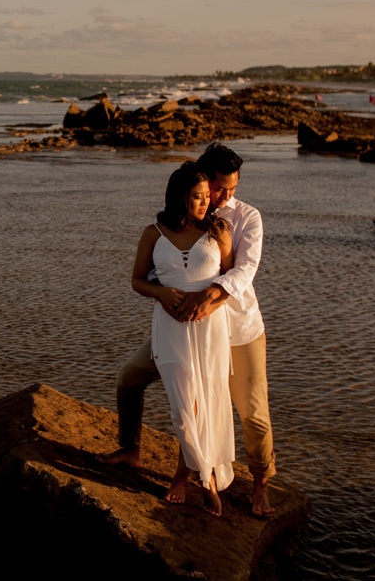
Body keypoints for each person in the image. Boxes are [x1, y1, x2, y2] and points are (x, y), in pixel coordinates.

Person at [102, 143, 277, 518]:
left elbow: (243, 271)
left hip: (236, 328)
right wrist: (167, 295)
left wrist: (208, 297)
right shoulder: (178, 216)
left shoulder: (245, 218)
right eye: (218, 187)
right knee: (130, 379)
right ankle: (131, 449)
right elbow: (154, 272)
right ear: (200, 181)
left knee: (253, 413)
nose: (224, 196)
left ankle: (260, 483)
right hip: (179, 326)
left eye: (232, 188)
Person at [128, 161, 235, 515]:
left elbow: (232, 282)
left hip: (210, 327)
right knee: (182, 405)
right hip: (171, 326)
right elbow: (138, 280)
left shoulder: (219, 231)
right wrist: (161, 294)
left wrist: (207, 303)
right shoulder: (153, 233)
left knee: (206, 404)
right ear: (179, 197)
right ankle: (204, 477)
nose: (205, 203)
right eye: (196, 197)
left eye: (207, 196)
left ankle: (188, 476)